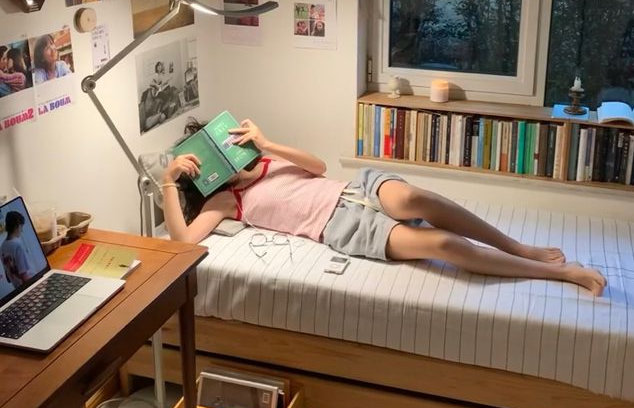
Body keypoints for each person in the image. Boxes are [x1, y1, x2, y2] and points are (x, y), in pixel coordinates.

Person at [162, 119, 607, 295]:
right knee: (444, 245)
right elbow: (182, 240)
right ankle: (559, 273)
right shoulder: (226, 201)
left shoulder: (268, 159)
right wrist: (168, 181)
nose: (229, 157)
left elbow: (318, 166)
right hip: (344, 227)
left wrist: (266, 143)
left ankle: (520, 247)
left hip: (357, 190)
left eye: (227, 146)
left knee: (416, 199)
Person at [1, 210, 32, 288]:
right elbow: (24, 276)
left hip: (18, 290)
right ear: (17, 225)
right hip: (28, 287)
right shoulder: (18, 245)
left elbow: (8, 278)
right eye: (21, 227)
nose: (22, 230)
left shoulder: (2, 247)